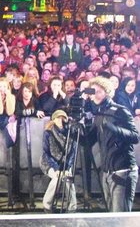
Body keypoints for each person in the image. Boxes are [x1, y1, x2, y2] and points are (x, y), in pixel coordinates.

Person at [87, 76, 139, 212]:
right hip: (107, 171)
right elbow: (87, 142)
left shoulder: (120, 110)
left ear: (107, 92)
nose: (95, 95)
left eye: (98, 91)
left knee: (119, 215)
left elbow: (135, 137)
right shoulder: (98, 114)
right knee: (112, 216)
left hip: (123, 169)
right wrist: (72, 133)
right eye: (93, 92)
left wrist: (114, 128)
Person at [40, 109, 77, 213]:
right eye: (58, 118)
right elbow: (46, 153)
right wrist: (56, 168)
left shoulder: (70, 133)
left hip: (65, 163)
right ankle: (47, 205)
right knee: (57, 178)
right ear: (53, 120)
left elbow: (72, 153)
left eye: (62, 118)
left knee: (68, 178)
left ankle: (72, 207)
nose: (60, 120)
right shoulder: (48, 133)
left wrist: (67, 167)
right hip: (49, 163)